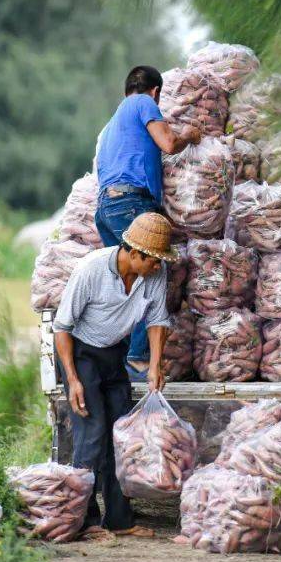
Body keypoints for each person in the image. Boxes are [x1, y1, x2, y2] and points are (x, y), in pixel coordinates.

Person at [52, 212, 177, 540]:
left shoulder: (154, 272)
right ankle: (83, 520)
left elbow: (158, 319)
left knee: (121, 437)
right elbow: (62, 327)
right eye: (153, 262)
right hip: (80, 354)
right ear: (134, 254)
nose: (158, 268)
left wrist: (155, 365)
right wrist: (73, 380)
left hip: (112, 354)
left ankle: (119, 520)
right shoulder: (91, 270)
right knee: (92, 434)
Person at [95, 65, 201, 381]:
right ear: (155, 91)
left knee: (123, 280)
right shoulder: (143, 102)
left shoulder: (113, 124)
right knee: (152, 272)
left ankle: (114, 354)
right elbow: (168, 143)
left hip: (107, 207)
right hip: (131, 203)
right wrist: (190, 136)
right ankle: (138, 358)